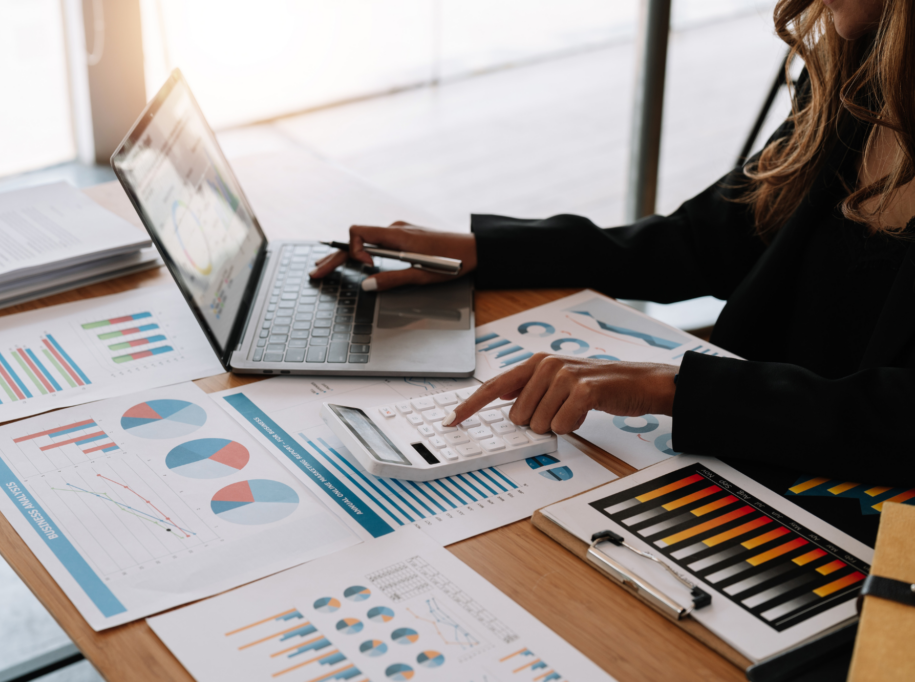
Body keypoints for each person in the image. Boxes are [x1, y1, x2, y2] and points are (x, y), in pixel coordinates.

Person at [309, 0, 915, 539]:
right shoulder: (855, 78)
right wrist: (485, 251)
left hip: (861, 528)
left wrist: (672, 386)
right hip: (739, 475)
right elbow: (703, 243)